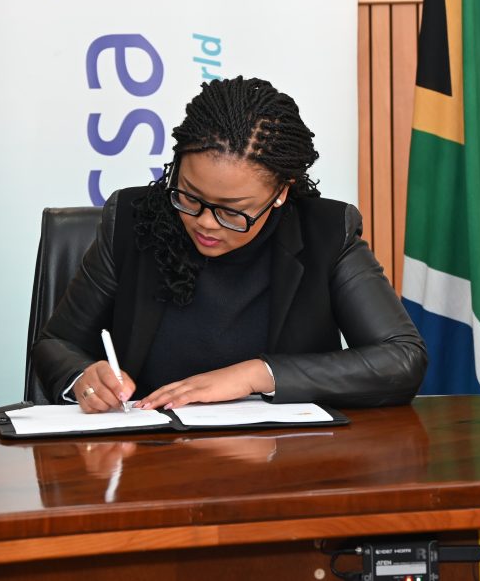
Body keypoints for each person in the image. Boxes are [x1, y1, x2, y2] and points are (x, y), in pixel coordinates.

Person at [33, 76, 427, 413]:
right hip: (148, 455)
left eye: (232, 211)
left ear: (280, 193)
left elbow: (402, 357)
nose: (205, 222)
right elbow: (57, 343)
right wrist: (82, 378)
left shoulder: (325, 232)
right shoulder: (132, 219)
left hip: (282, 462)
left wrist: (258, 374)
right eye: (189, 196)